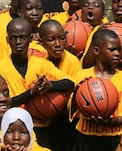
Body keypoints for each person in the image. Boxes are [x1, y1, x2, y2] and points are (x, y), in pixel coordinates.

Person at [0, 18, 74, 150]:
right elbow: (6, 103)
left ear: (30, 38)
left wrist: (50, 86)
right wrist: (31, 93)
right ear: (7, 40)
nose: (18, 42)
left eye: (22, 37)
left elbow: (69, 82)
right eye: (14, 38)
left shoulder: (42, 63)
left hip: (43, 127)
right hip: (16, 132)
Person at [71, 29, 122, 151]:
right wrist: (76, 94)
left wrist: (107, 122)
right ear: (96, 50)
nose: (117, 53)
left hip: (114, 137)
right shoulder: (81, 76)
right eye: (112, 49)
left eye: (119, 50)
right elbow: (72, 112)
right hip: (86, 136)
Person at [38, 19, 81, 151]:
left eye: (61, 38)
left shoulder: (72, 60)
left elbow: (73, 85)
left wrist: (51, 86)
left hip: (65, 119)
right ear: (41, 42)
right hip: (42, 117)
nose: (57, 44)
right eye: (51, 40)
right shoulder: (37, 60)